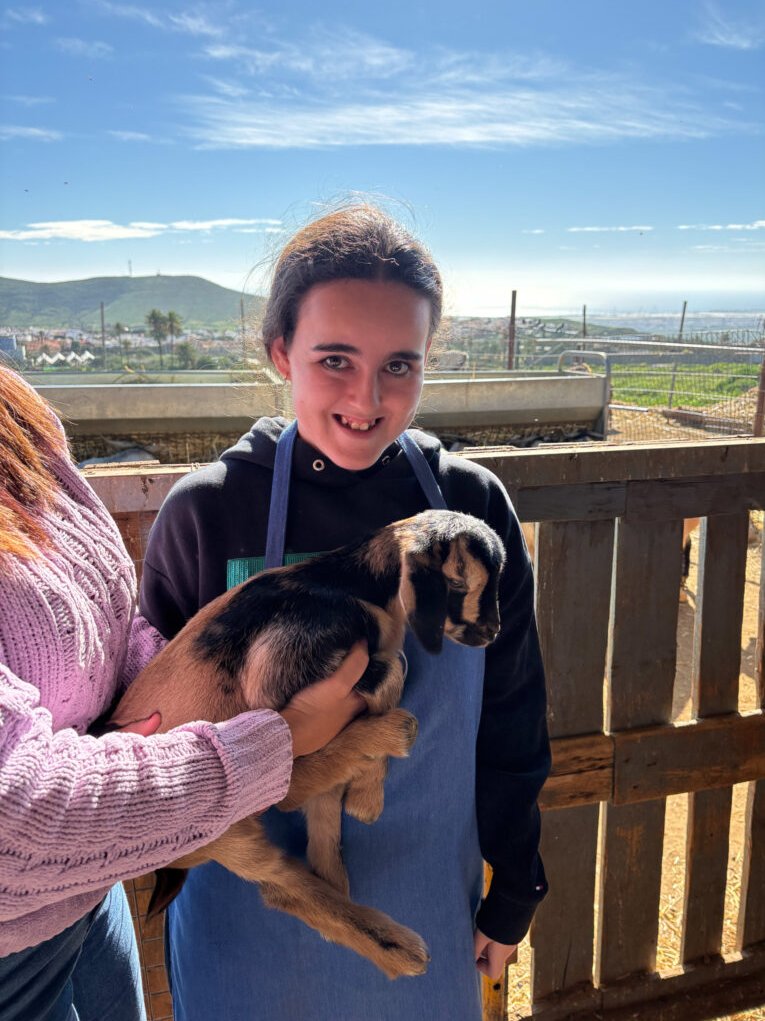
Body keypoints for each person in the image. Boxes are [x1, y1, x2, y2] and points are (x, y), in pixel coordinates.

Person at [139, 203, 551, 1020]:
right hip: (242, 920)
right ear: (280, 353)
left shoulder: (471, 508)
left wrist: (516, 887)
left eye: (400, 364)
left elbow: (513, 711)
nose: (368, 397)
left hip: (424, 904)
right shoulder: (207, 513)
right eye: (335, 359)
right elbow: (149, 734)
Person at [0, 366, 368, 1021]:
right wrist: (269, 744)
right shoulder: (202, 505)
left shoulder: (17, 411)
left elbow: (97, 628)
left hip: (85, 894)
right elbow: (14, 814)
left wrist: (178, 690)